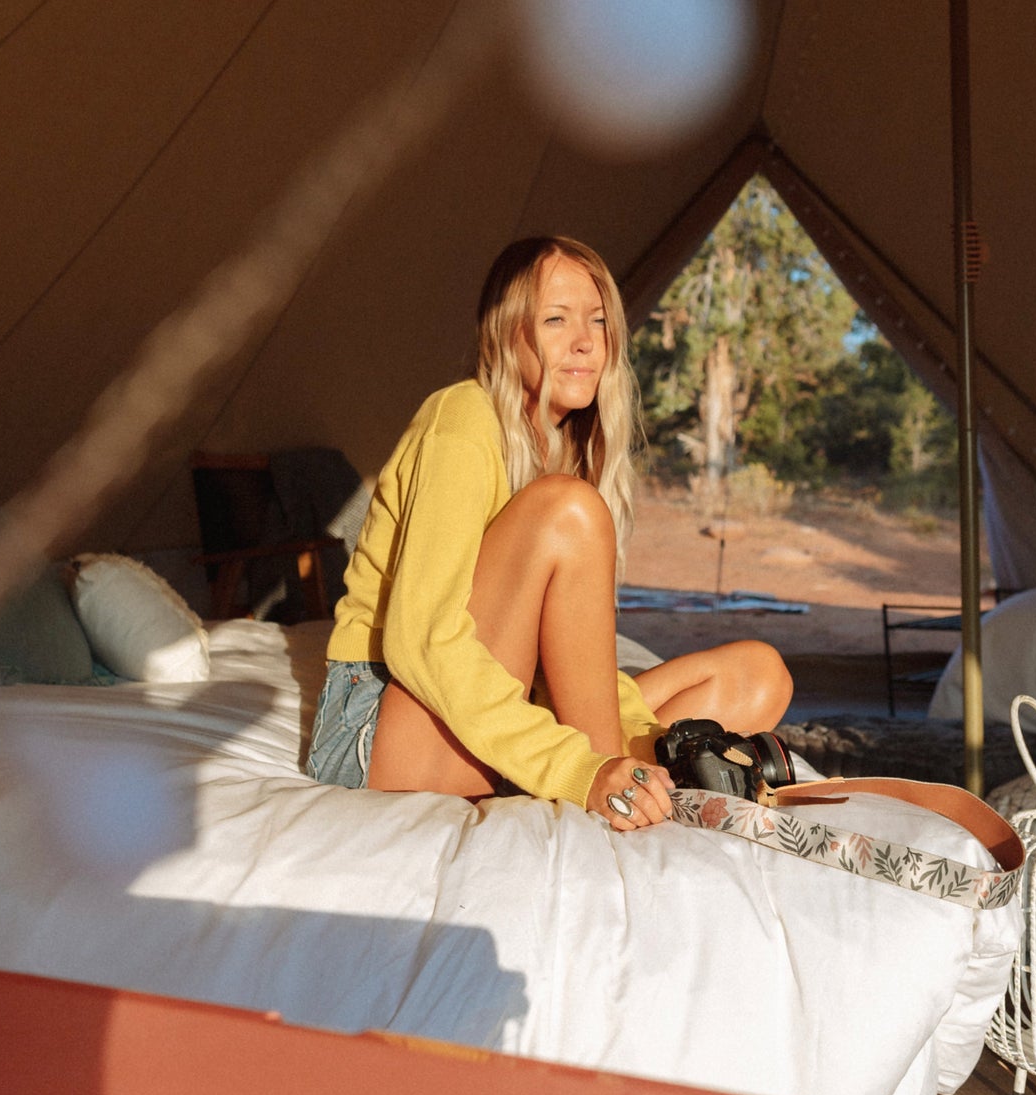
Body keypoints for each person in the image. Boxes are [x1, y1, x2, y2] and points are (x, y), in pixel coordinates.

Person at [308, 235, 793, 829]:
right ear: (504, 332)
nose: (586, 341)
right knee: (569, 510)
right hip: (384, 723)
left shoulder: (563, 445)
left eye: (598, 320)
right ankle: (622, 783)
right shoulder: (462, 419)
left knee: (760, 674)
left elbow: (559, 663)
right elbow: (423, 643)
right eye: (556, 319)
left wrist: (643, 730)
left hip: (490, 704)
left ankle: (666, 768)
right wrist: (582, 769)